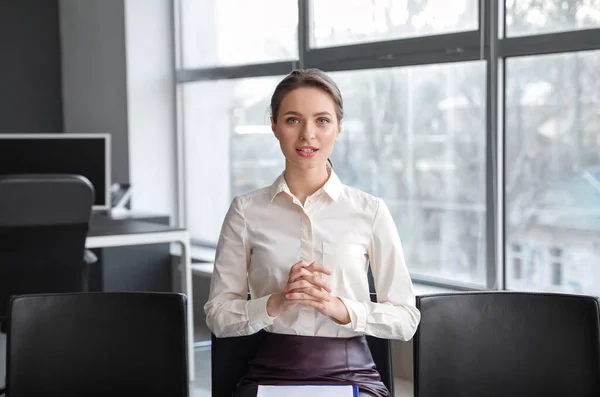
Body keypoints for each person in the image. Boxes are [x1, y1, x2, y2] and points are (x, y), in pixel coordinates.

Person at [204, 68, 421, 397]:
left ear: (339, 128)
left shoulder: (370, 211)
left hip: (353, 371)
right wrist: (276, 302)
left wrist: (340, 308)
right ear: (275, 126)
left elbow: (406, 319)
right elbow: (218, 316)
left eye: (322, 120)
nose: (308, 135)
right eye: (293, 120)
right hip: (270, 370)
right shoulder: (245, 211)